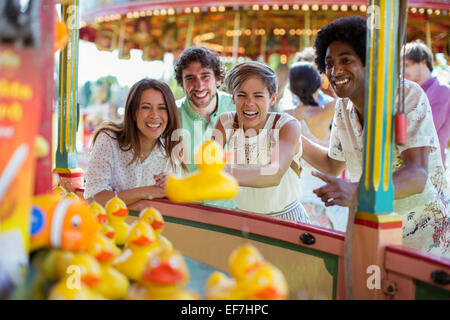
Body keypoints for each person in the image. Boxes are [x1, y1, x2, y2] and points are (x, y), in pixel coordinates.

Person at [301, 16, 449, 256]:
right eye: (329, 63)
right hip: (375, 230)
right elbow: (332, 164)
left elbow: (417, 175)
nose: (335, 70)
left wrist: (357, 192)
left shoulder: (405, 95)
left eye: (345, 60)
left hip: (427, 237)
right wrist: (291, 132)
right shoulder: (342, 108)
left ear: (369, 62)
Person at [212, 61, 310, 223]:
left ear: (272, 98)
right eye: (242, 95)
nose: (249, 103)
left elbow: (273, 173)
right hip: (244, 217)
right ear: (234, 98)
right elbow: (208, 168)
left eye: (258, 96)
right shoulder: (225, 122)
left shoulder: (287, 125)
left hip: (287, 218)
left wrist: (222, 173)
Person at [84, 78, 185, 211]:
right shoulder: (108, 140)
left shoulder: (170, 150)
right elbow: (94, 198)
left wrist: (173, 187)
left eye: (162, 108)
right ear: (133, 112)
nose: (154, 115)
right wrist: (148, 192)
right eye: (146, 107)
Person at [286, 62, 348, 231]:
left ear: (291, 88)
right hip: (321, 199)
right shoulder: (323, 112)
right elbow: (348, 97)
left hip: (294, 199)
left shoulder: (285, 116)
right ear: (318, 84)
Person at [174, 46, 236, 208]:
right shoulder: (171, 114)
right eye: (190, 78)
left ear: (218, 79)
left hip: (233, 209)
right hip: (188, 210)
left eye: (205, 76)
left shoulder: (238, 107)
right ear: (182, 84)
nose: (199, 85)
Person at [402, 39, 450, 166]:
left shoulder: (441, 90)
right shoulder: (409, 92)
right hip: (409, 164)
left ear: (423, 63)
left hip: (429, 167)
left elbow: (424, 130)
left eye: (406, 65)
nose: (403, 72)